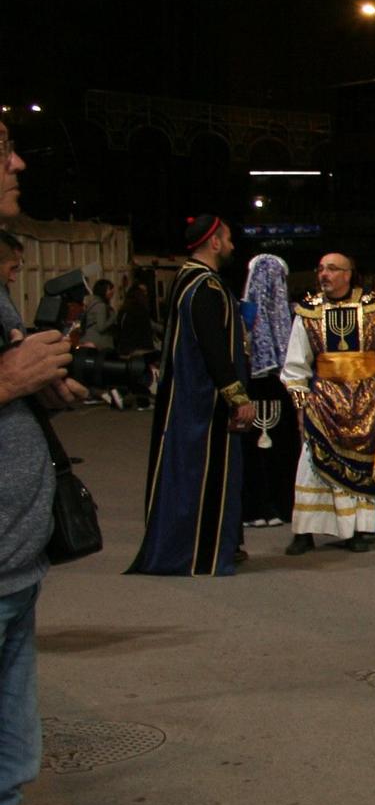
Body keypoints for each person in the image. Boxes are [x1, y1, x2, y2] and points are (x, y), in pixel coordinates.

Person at [0, 127, 94, 805]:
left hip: (13, 567)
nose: (20, 163)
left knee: (7, 768)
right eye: (0, 152)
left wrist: (36, 378)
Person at [128, 215, 252, 577]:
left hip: (193, 397)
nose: (231, 245)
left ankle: (217, 544)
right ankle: (201, 550)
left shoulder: (191, 282)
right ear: (213, 242)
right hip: (203, 402)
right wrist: (237, 395)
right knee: (202, 474)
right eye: (227, 238)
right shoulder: (204, 288)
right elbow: (213, 347)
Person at [282, 252, 375, 555]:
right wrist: (301, 404)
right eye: (321, 269)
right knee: (310, 466)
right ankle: (304, 531)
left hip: (366, 403)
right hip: (323, 402)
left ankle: (356, 530)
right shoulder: (309, 312)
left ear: (347, 274)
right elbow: (295, 365)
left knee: (360, 468)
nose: (324, 274)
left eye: (332, 269)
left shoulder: (374, 309)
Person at [240, 254, 301, 528]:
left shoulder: (239, 311)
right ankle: (280, 504)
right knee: (280, 447)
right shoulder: (294, 315)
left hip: (250, 385)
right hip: (281, 385)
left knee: (254, 448)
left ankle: (255, 506)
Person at [115, 277, 157, 409]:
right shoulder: (140, 310)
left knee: (130, 374)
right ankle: (141, 401)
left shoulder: (124, 309)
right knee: (142, 375)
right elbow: (145, 330)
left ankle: (123, 394)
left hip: (125, 346)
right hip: (139, 348)